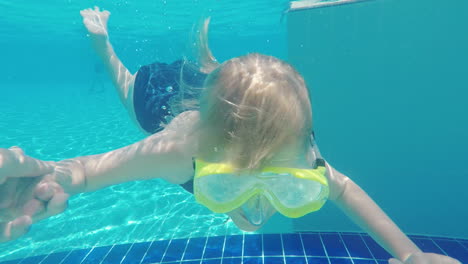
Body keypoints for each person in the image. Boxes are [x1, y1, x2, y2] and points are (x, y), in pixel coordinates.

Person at [0, 7, 461, 264]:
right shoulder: (177, 149)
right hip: (165, 99)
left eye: (284, 182)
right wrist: (45, 180)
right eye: (233, 183)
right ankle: (103, 41)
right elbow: (84, 170)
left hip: (224, 107)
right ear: (210, 156)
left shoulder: (300, 148)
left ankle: (214, 68)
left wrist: (412, 255)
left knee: (235, 87)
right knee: (129, 96)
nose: (258, 207)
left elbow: (344, 189)